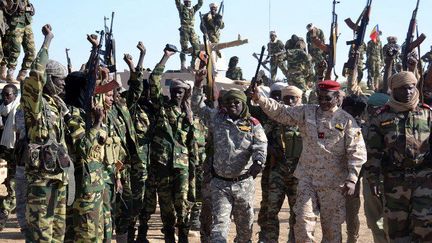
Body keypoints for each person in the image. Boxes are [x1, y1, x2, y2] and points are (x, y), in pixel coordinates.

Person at [252, 80, 367, 242]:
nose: (323, 102)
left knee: (331, 230)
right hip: (307, 179)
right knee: (303, 224)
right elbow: (281, 112)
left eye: (328, 98)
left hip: (333, 183)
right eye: (320, 98)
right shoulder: (307, 112)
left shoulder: (346, 120)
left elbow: (357, 151)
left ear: (337, 97)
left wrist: (352, 178)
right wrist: (261, 99)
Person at [192, 70, 267, 242]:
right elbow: (197, 106)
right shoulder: (216, 118)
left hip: (243, 184)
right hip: (220, 184)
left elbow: (261, 145)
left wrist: (258, 160)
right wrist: (197, 84)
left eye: (236, 102)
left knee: (245, 230)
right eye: (229, 103)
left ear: (243, 104)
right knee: (219, 227)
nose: (232, 105)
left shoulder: (253, 124)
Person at [365, 71, 432, 242]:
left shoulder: (427, 114)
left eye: (411, 88)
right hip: (395, 179)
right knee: (396, 229)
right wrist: (373, 179)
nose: (408, 92)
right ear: (393, 90)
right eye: (402, 89)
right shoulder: (381, 116)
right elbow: (373, 151)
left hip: (424, 179)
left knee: (425, 226)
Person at [21, 24, 71, 242]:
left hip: (58, 176)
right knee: (41, 233)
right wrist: (47, 41)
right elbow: (35, 74)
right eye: (60, 80)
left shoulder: (57, 105)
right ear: (49, 79)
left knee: (58, 233)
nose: (63, 84)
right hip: (41, 179)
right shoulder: (35, 102)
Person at [143, 47, 195, 242]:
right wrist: (165, 57)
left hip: (182, 165)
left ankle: (183, 234)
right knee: (165, 203)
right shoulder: (161, 108)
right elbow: (153, 81)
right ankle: (169, 236)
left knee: (182, 202)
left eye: (180, 92)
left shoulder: (189, 115)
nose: (177, 95)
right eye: (174, 91)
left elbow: (192, 143)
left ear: (185, 93)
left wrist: (194, 166)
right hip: (163, 164)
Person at [260, 85, 303, 243]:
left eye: (294, 98)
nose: (290, 101)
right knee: (271, 211)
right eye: (287, 98)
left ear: (300, 99)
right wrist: (270, 149)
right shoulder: (275, 119)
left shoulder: (306, 119)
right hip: (277, 171)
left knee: (297, 213)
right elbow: (260, 138)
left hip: (299, 175)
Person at [257, 82, 287, 242]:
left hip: (293, 170)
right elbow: (258, 137)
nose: (277, 99)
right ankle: (267, 238)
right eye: (274, 96)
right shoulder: (265, 116)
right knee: (268, 206)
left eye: (280, 96)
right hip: (271, 168)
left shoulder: (292, 115)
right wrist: (268, 148)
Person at [362, 92, 390, 243]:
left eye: (379, 108)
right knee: (373, 221)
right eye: (371, 108)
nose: (374, 112)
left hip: (391, 179)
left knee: (391, 221)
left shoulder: (393, 125)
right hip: (369, 179)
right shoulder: (362, 127)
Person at [0, 84, 20, 230]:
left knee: (13, 185)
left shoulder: (19, 110)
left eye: (9, 95)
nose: (5, 98)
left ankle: (3, 215)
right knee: (10, 183)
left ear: (15, 95)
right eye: (4, 95)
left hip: (17, 153)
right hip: (6, 151)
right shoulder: (2, 110)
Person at [1, 0, 35, 83]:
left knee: (31, 51)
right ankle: (10, 74)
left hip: (27, 23)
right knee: (15, 51)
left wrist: (30, 8)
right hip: (15, 24)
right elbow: (4, 7)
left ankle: (22, 74)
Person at [175, 0, 203, 71]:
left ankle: (192, 65)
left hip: (192, 30)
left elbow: (200, 4)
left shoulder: (193, 9)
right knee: (184, 49)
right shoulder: (181, 8)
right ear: (184, 2)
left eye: (189, 2)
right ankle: (183, 65)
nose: (189, 3)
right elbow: (177, 2)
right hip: (184, 29)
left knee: (197, 48)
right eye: (187, 2)